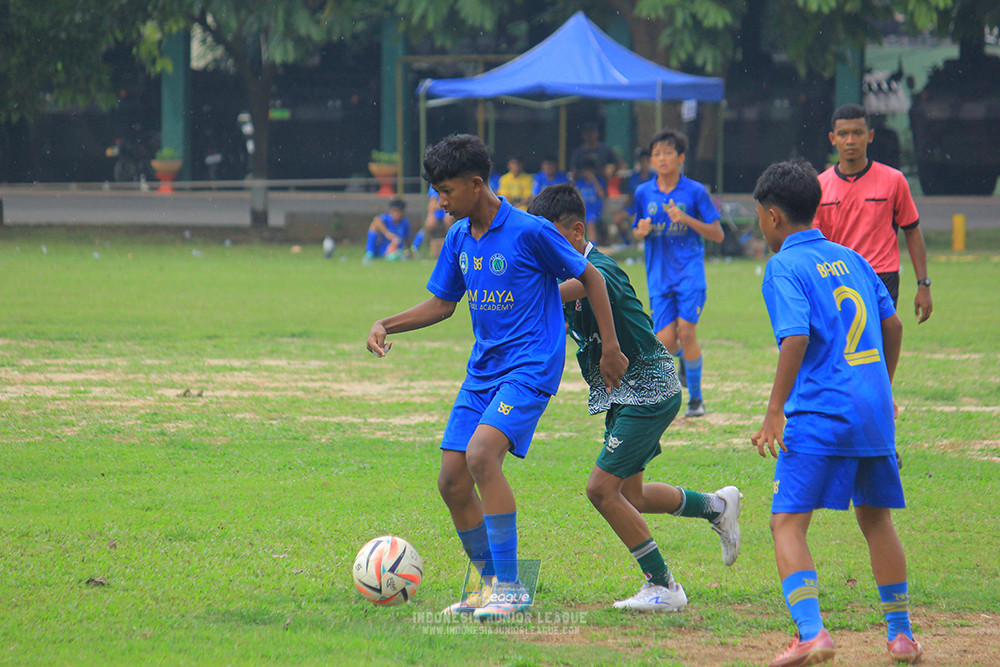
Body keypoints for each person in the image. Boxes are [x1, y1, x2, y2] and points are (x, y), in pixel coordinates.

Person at [366, 134, 629, 622]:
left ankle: (512, 588)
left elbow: (591, 276)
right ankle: (489, 586)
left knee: (482, 455)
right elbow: (444, 303)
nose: (439, 202)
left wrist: (610, 348)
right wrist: (387, 322)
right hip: (482, 370)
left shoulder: (530, 231)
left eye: (445, 191)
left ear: (475, 184)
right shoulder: (460, 237)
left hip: (530, 366)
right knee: (450, 481)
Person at [527, 184, 742, 612]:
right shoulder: (564, 273)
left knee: (601, 490)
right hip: (626, 393)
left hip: (649, 391)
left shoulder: (596, 270)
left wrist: (512, 290)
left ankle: (664, 586)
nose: (544, 250)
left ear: (576, 231)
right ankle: (717, 506)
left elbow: (567, 292)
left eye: (550, 240)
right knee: (633, 495)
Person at [751, 158, 922, 666]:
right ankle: (902, 637)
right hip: (872, 410)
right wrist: (879, 387)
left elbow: (796, 336)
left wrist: (774, 410)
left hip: (821, 411)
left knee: (787, 524)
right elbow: (893, 328)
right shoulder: (853, 259)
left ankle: (812, 634)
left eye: (760, 214)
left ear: (774, 217)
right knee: (876, 519)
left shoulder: (783, 265)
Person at [632, 130, 724, 418]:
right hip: (658, 277)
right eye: (656, 154)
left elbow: (718, 235)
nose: (661, 158)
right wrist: (639, 232)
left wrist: (686, 219)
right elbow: (636, 229)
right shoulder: (643, 192)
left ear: (681, 157)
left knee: (687, 332)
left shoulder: (695, 191)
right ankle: (685, 360)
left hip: (689, 274)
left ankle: (696, 401)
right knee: (667, 342)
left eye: (668, 152)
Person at [815, 103, 933, 323]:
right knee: (843, 352)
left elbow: (912, 230)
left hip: (882, 277)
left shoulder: (894, 180)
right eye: (843, 134)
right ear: (833, 138)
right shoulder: (819, 186)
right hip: (836, 279)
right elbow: (813, 243)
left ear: (870, 136)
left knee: (879, 350)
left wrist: (923, 285)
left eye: (857, 133)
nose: (850, 140)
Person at [412, 185, 454, 258]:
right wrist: (431, 215)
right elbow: (432, 202)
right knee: (428, 224)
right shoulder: (434, 184)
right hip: (437, 211)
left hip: (448, 209)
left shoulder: (450, 181)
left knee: (449, 220)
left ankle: (452, 247)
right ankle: (414, 248)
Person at [364, 198, 410, 262]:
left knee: (395, 254)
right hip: (383, 247)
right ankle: (369, 252)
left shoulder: (404, 222)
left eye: (398, 211)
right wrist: (387, 234)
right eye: (394, 211)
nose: (396, 214)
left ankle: (396, 255)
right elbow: (376, 220)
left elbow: (407, 238)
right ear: (390, 211)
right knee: (373, 226)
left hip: (395, 248)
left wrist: (409, 250)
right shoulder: (386, 219)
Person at [574, 157, 607, 245]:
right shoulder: (580, 182)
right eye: (585, 171)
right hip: (582, 208)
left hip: (595, 209)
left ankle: (593, 245)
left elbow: (601, 195)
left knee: (590, 221)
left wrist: (594, 180)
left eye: (589, 171)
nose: (587, 173)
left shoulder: (599, 181)